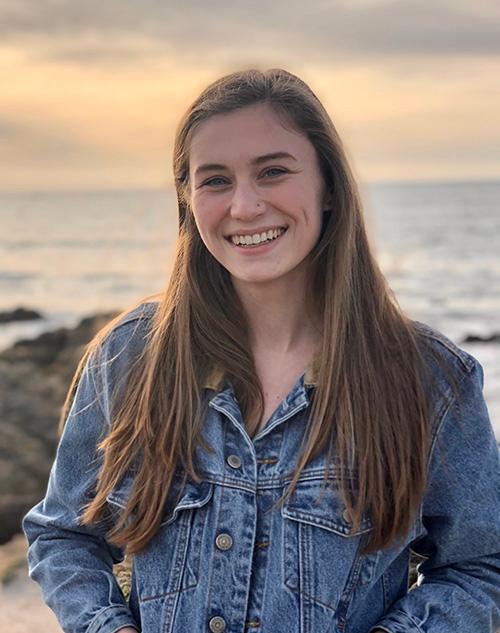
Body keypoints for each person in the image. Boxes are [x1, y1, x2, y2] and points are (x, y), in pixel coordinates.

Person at [23, 68, 500, 633]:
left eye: (273, 172)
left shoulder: (428, 378)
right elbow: (64, 534)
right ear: (188, 200)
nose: (245, 207)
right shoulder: (132, 357)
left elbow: (480, 566)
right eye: (216, 180)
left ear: (328, 188)